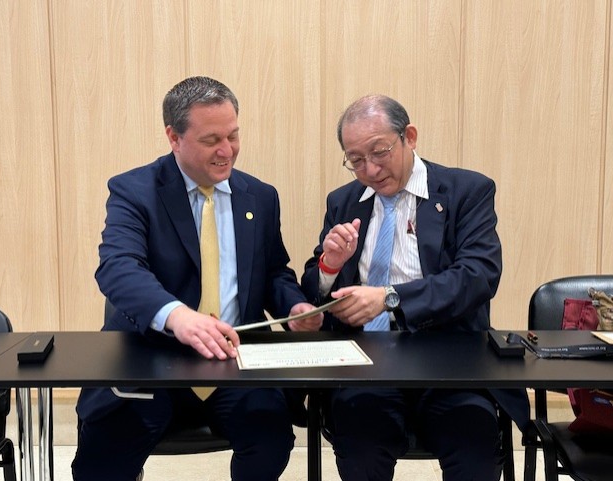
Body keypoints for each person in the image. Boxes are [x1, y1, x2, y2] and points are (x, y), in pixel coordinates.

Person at [72, 76, 322, 481]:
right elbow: (118, 267)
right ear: (174, 137)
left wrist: (294, 306)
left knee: (270, 438)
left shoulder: (259, 195)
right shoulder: (135, 191)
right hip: (151, 357)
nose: (227, 151)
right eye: (211, 140)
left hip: (234, 360)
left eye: (233, 136)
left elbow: (274, 270)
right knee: (105, 452)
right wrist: (177, 316)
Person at [301, 94, 530, 481]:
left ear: (409, 136)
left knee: (474, 449)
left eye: (379, 152)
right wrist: (330, 265)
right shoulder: (343, 201)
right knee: (360, 451)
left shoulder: (465, 192)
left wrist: (390, 298)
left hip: (451, 364)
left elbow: (478, 276)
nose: (370, 169)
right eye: (355, 160)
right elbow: (313, 288)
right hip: (366, 366)